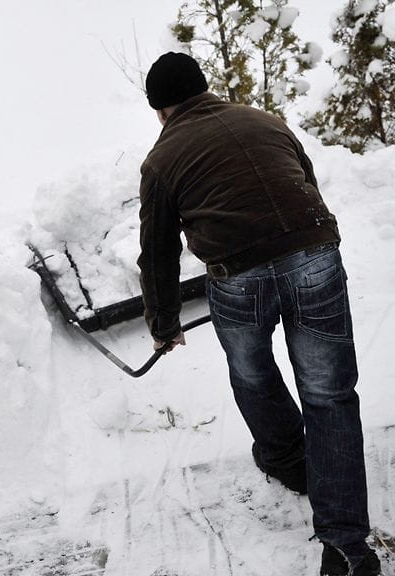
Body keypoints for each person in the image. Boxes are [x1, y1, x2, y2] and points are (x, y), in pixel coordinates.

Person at [136, 52, 380, 576]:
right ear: (206, 88)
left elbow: (157, 251)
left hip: (237, 272)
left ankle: (289, 459)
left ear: (160, 110)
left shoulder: (161, 158)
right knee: (329, 393)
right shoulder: (266, 120)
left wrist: (164, 323)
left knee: (251, 371)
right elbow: (306, 182)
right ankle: (346, 549)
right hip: (314, 252)